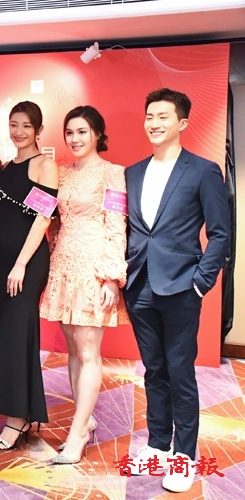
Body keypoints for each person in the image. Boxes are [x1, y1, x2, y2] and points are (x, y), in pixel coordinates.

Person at [124, 88, 229, 492]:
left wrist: (201, 282)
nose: (154, 123)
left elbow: (220, 233)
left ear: (182, 123)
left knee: (180, 372)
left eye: (163, 116)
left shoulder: (203, 171)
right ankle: (157, 446)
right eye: (150, 115)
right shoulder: (133, 173)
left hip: (183, 287)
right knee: (153, 371)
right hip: (140, 286)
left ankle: (183, 457)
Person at [39, 105, 129, 464]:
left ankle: (77, 433)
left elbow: (116, 226)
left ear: (97, 134)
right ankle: (84, 419)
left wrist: (111, 277)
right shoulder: (60, 174)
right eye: (70, 132)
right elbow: (48, 219)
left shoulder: (112, 173)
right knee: (74, 350)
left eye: (82, 132)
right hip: (63, 266)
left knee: (90, 351)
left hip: (93, 268)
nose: (75, 139)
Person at [0, 101, 58, 449]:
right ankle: (21, 411)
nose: (19, 132)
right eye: (14, 124)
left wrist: (20, 263)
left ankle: (17, 419)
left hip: (25, 264)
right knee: (7, 335)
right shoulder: (4, 167)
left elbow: (43, 219)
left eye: (26, 126)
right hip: (0, 263)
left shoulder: (45, 165)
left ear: (38, 130)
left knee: (16, 335)